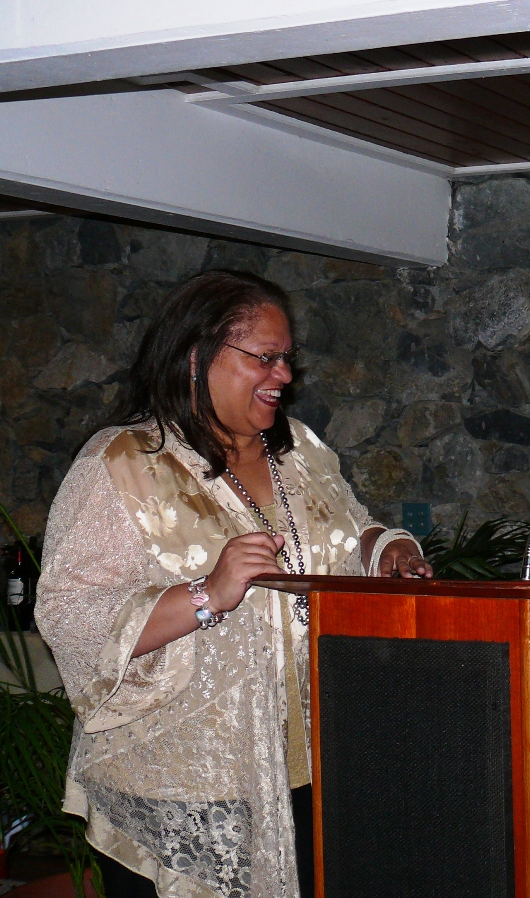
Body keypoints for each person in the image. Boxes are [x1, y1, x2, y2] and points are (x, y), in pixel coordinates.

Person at [35, 270, 431, 898]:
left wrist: (389, 547)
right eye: (265, 358)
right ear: (197, 357)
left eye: (287, 360)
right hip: (184, 784)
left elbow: (351, 525)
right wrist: (207, 595)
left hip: (309, 764)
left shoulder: (297, 449)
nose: (284, 377)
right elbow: (69, 615)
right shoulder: (121, 464)